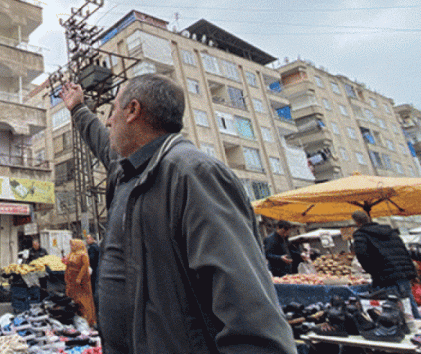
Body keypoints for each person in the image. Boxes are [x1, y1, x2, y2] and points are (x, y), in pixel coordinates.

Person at [60, 76, 294, 353]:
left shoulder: (194, 174)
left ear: (133, 111)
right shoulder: (128, 172)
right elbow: (100, 140)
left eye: (112, 111)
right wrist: (77, 108)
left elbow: (249, 312)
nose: (108, 121)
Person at [351, 210, 421, 319]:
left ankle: (402, 330)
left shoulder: (361, 234)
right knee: (409, 304)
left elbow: (362, 255)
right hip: (402, 274)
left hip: (383, 276)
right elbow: (404, 252)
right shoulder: (390, 232)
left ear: (356, 222)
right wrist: (411, 272)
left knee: (391, 309)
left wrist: (373, 271)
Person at [65, 238, 96, 327]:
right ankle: (77, 318)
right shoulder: (71, 254)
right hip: (72, 281)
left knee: (83, 300)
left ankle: (88, 319)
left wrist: (79, 277)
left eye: (73, 245)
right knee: (74, 300)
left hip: (81, 283)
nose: (71, 246)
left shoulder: (83, 254)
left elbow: (85, 266)